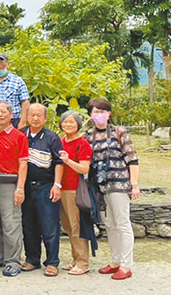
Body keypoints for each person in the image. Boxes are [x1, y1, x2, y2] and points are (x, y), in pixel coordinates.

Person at [86, 98, 140, 280]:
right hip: (99, 187)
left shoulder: (120, 132)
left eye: (102, 111)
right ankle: (115, 260)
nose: (99, 115)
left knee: (122, 223)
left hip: (118, 184)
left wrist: (134, 185)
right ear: (90, 115)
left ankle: (126, 265)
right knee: (109, 224)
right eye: (95, 112)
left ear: (109, 113)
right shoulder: (88, 135)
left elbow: (132, 159)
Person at [0, 100, 29, 277]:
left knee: (11, 223)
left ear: (11, 114)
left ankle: (13, 261)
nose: (0, 115)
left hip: (9, 183)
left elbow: (23, 163)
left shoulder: (19, 136)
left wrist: (20, 188)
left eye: (4, 112)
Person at [20, 103, 63, 277]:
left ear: (45, 118)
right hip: (25, 187)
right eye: (32, 115)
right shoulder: (21, 134)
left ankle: (52, 262)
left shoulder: (52, 137)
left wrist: (57, 185)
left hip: (46, 186)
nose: (35, 118)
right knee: (28, 225)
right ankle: (32, 259)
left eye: (39, 115)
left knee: (49, 226)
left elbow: (59, 162)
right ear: (27, 117)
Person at [57, 110, 93, 276]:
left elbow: (84, 168)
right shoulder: (60, 141)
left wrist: (68, 161)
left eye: (72, 122)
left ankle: (82, 262)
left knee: (76, 225)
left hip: (74, 189)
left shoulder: (82, 143)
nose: (68, 124)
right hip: (60, 188)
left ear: (78, 124)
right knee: (68, 226)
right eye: (65, 121)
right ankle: (75, 258)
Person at [0, 53, 30, 130]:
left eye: (1, 62)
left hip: (13, 120)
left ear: (8, 64)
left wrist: (23, 121)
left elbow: (25, 101)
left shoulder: (17, 81)